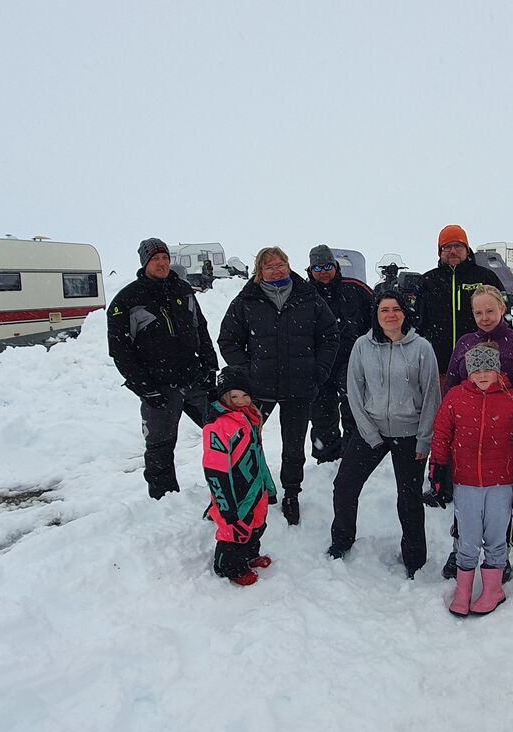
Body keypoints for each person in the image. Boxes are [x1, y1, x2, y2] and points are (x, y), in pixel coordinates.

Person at [217, 247, 340, 525]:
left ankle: (291, 493)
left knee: (293, 446)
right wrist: (247, 372)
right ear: (260, 271)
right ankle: (241, 490)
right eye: (270, 266)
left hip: (299, 385)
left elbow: (330, 335)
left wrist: (319, 370)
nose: (277, 269)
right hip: (259, 387)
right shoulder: (247, 300)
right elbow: (228, 340)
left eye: (281, 263)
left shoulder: (308, 296)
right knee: (246, 442)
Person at [327, 290, 440, 579]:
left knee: (409, 498)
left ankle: (414, 559)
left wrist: (424, 439)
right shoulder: (363, 346)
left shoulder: (422, 348)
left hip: (409, 434)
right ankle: (342, 541)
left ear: (405, 313)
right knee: (345, 486)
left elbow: (431, 397)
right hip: (370, 431)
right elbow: (355, 390)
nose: (391, 315)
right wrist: (369, 431)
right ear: (376, 315)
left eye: (396, 309)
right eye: (384, 310)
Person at [439, 284, 513, 581]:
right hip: (467, 439)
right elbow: (451, 390)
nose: (484, 318)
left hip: (503, 442)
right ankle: (461, 549)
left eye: (490, 311)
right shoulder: (464, 344)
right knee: (467, 498)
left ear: (503, 308)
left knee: (499, 502)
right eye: (478, 312)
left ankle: (500, 555)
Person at [425, 343, 513, 617]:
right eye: (477, 369)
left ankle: (492, 589)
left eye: (488, 368)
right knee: (468, 538)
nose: (483, 375)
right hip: (466, 483)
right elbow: (441, 436)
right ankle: (463, 591)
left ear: (497, 369)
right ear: (468, 372)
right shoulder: (455, 398)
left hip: (501, 483)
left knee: (496, 537)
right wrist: (437, 470)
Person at [107, 237, 218, 500]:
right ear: (145, 262)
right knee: (160, 447)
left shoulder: (183, 290)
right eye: (156, 258)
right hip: (159, 388)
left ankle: (225, 487)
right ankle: (164, 500)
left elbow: (201, 329)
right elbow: (120, 350)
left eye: (165, 258)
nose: (162, 263)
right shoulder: (128, 299)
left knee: (221, 432)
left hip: (193, 380)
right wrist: (143, 386)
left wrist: (210, 367)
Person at [203, 367, 277, 586]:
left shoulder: (251, 418)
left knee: (257, 523)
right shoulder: (218, 426)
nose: (241, 401)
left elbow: (259, 455)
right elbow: (214, 470)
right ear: (225, 397)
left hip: (255, 485)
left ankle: (249, 556)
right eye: (234, 396)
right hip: (233, 490)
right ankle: (229, 567)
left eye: (245, 395)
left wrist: (268, 486)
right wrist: (226, 505)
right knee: (234, 530)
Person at [306, 244, 374, 463]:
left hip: (352, 360)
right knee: (321, 413)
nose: (323, 271)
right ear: (310, 269)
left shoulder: (356, 289)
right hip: (317, 363)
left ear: (335, 266)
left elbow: (379, 319)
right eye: (318, 267)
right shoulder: (303, 295)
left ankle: (354, 456)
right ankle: (326, 459)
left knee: (354, 409)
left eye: (327, 265)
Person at [414, 224, 505, 375]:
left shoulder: (486, 277)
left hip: (481, 368)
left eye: (458, 245)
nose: (453, 251)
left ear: (467, 249)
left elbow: (504, 317)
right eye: (447, 247)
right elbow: (417, 323)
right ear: (440, 252)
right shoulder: (428, 281)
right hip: (438, 366)